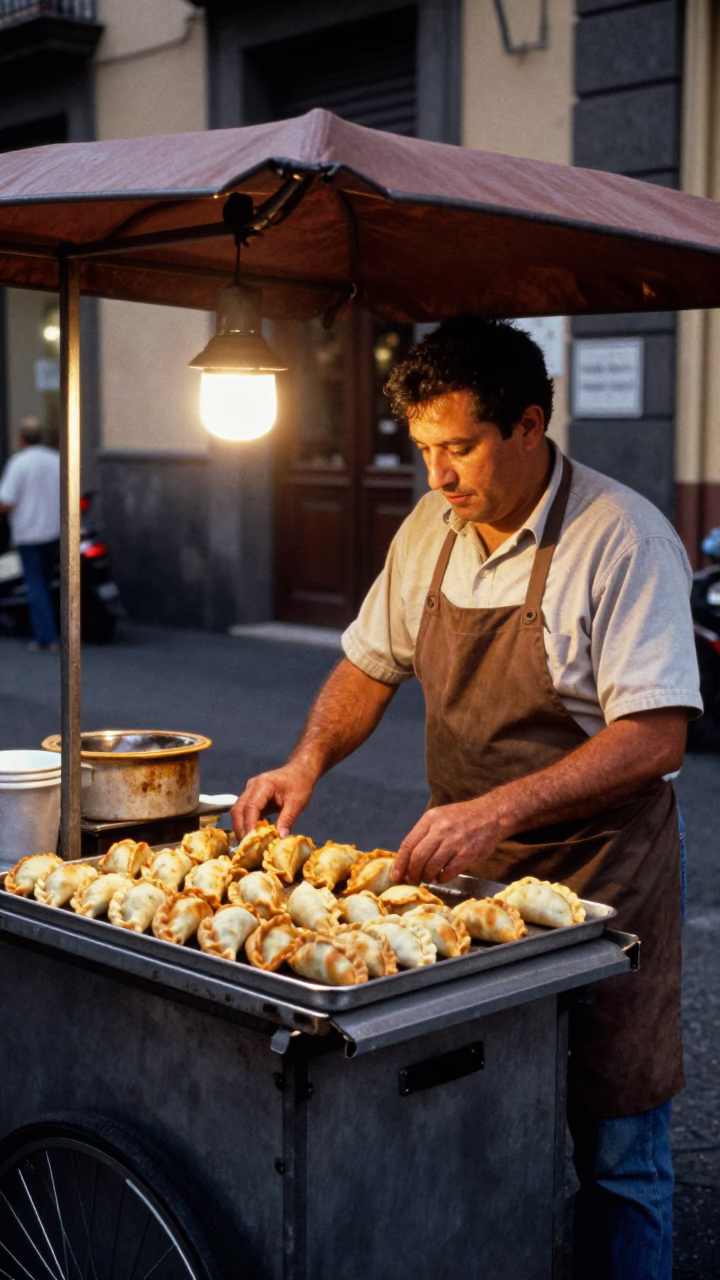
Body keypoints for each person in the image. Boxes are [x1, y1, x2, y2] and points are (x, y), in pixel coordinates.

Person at [231, 315, 702, 1280]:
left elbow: (656, 735)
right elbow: (369, 664)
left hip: (601, 885)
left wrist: (496, 809)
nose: (438, 477)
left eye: (459, 448)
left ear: (528, 426)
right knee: (482, 1127)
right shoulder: (429, 533)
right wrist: (305, 761)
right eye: (425, 451)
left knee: (618, 1149)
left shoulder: (623, 538)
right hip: (468, 897)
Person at [0, 416, 60, 651]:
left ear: (21, 439)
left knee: (35, 585)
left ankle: (46, 636)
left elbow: (6, 501)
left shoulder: (19, 463)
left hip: (28, 533)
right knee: (48, 582)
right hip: (54, 532)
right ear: (42, 437)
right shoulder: (56, 460)